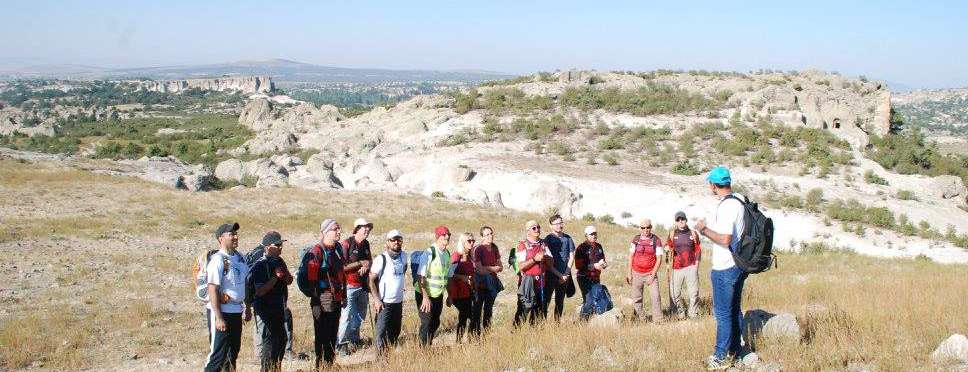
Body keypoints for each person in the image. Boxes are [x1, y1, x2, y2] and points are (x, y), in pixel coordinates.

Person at [694, 166, 748, 370]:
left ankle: (719, 355)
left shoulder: (727, 207)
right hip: (739, 264)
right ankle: (735, 351)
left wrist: (704, 229)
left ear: (713, 185)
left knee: (723, 313)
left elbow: (725, 238)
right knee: (734, 310)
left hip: (725, 266)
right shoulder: (739, 201)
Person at [297, 219, 347, 369]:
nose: (339, 231)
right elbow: (312, 280)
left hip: (336, 297)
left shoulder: (337, 248)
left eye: (339, 228)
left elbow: (341, 274)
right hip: (322, 298)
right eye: (335, 229)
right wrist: (317, 301)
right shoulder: (316, 252)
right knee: (322, 334)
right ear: (325, 232)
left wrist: (343, 295)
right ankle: (320, 366)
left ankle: (329, 364)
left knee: (333, 333)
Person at [204, 222, 250, 372]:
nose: (236, 237)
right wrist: (218, 317)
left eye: (236, 234)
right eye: (231, 234)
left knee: (232, 354)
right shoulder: (217, 260)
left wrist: (247, 308)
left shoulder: (241, 258)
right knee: (217, 355)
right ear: (221, 238)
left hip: (236, 311)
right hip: (222, 312)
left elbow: (245, 284)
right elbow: (212, 288)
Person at [245, 235, 296, 363]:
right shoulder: (260, 265)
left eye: (281, 245)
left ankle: (275, 366)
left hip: (279, 306)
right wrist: (275, 277)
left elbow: (289, 280)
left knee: (281, 339)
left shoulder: (279, 261)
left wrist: (285, 277)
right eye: (277, 245)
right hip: (265, 309)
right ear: (268, 247)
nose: (280, 248)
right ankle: (266, 366)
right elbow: (260, 291)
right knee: (269, 341)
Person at [369, 229, 409, 357]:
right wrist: (376, 299)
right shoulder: (381, 259)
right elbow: (371, 279)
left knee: (395, 331)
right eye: (393, 240)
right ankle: (380, 360)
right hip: (384, 302)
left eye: (399, 240)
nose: (396, 242)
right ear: (387, 242)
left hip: (398, 301)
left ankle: (389, 356)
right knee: (381, 332)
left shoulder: (403, 256)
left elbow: (403, 270)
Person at [337, 218, 373, 356]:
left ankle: (354, 339)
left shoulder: (366, 244)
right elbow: (342, 267)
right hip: (349, 286)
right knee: (346, 315)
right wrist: (360, 263)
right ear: (357, 228)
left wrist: (367, 265)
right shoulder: (346, 244)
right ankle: (341, 343)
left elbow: (369, 261)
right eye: (365, 228)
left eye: (368, 229)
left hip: (362, 285)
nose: (367, 231)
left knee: (359, 315)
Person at [415, 225, 453, 346]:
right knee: (427, 322)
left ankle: (427, 344)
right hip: (424, 294)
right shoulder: (429, 253)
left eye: (448, 234)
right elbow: (421, 276)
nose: (447, 236)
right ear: (437, 237)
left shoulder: (447, 253)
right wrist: (425, 298)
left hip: (438, 294)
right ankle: (422, 350)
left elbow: (446, 276)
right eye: (444, 234)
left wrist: (450, 295)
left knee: (435, 322)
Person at [514, 220, 551, 327]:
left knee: (539, 311)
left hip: (541, 282)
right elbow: (520, 266)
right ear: (528, 231)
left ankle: (535, 335)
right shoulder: (522, 245)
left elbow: (551, 262)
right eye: (534, 228)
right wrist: (535, 259)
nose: (537, 230)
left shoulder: (543, 243)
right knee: (524, 309)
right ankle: (516, 334)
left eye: (538, 227)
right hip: (527, 282)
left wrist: (546, 257)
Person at [627, 218, 665, 323]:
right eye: (643, 228)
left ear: (651, 227)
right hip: (636, 272)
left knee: (655, 297)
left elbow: (659, 259)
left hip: (650, 273)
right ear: (640, 228)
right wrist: (629, 273)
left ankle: (658, 320)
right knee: (636, 298)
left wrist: (653, 275)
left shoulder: (656, 240)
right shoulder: (635, 239)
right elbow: (631, 256)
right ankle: (642, 318)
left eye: (648, 227)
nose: (645, 230)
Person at [667, 211, 702, 320]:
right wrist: (667, 249)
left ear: (686, 220)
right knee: (674, 293)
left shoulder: (693, 233)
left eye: (682, 219)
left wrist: (697, 264)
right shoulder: (672, 234)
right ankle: (681, 313)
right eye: (678, 219)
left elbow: (698, 249)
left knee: (694, 293)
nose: (680, 221)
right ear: (676, 222)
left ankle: (693, 313)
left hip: (691, 266)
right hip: (676, 268)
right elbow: (668, 246)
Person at [470, 226, 502, 337]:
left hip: (491, 284)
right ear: (482, 237)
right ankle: (475, 337)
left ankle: (486, 336)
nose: (490, 236)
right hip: (480, 285)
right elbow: (480, 270)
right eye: (487, 234)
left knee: (488, 311)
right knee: (477, 311)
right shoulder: (478, 249)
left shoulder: (494, 248)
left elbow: (500, 266)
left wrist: (487, 268)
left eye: (491, 233)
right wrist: (492, 268)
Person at [543, 214, 575, 321]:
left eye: (561, 223)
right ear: (551, 225)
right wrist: (559, 275)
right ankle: (541, 324)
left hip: (565, 275)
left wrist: (566, 273)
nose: (559, 225)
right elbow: (547, 261)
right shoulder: (548, 239)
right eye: (556, 223)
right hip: (551, 275)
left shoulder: (568, 238)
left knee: (560, 301)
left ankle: (557, 324)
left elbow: (571, 256)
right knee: (546, 300)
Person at [448, 232, 476, 343]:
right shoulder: (456, 255)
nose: (472, 243)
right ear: (463, 242)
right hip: (457, 293)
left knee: (465, 317)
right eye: (469, 241)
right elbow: (449, 274)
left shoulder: (470, 256)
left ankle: (466, 341)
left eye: (473, 241)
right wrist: (462, 277)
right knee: (470, 316)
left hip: (469, 292)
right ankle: (467, 341)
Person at [574, 225, 608, 304]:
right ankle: (583, 316)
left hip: (596, 277)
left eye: (595, 233)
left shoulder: (599, 246)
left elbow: (603, 260)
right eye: (591, 234)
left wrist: (604, 264)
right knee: (588, 302)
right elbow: (578, 266)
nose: (594, 236)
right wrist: (593, 266)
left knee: (596, 300)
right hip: (584, 278)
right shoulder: (581, 248)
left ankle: (591, 316)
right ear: (586, 235)